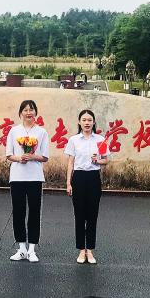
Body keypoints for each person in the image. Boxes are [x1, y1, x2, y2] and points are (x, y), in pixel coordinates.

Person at [7, 99, 50, 262]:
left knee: (34, 212)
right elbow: (9, 154)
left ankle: (32, 249)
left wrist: (32, 157)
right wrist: (19, 158)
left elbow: (45, 157)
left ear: (36, 113)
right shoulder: (14, 131)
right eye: (25, 110)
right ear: (20, 113)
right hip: (17, 177)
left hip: (35, 177)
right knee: (18, 212)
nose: (28, 112)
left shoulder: (41, 132)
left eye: (31, 109)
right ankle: (21, 248)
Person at [65, 109, 109, 264]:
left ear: (94, 122)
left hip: (93, 178)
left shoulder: (100, 140)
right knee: (79, 215)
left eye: (89, 120)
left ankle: (89, 250)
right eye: (84, 120)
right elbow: (70, 163)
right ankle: (81, 250)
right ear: (79, 122)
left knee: (92, 215)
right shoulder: (74, 140)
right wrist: (68, 183)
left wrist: (98, 160)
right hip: (78, 178)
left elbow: (106, 160)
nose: (87, 123)